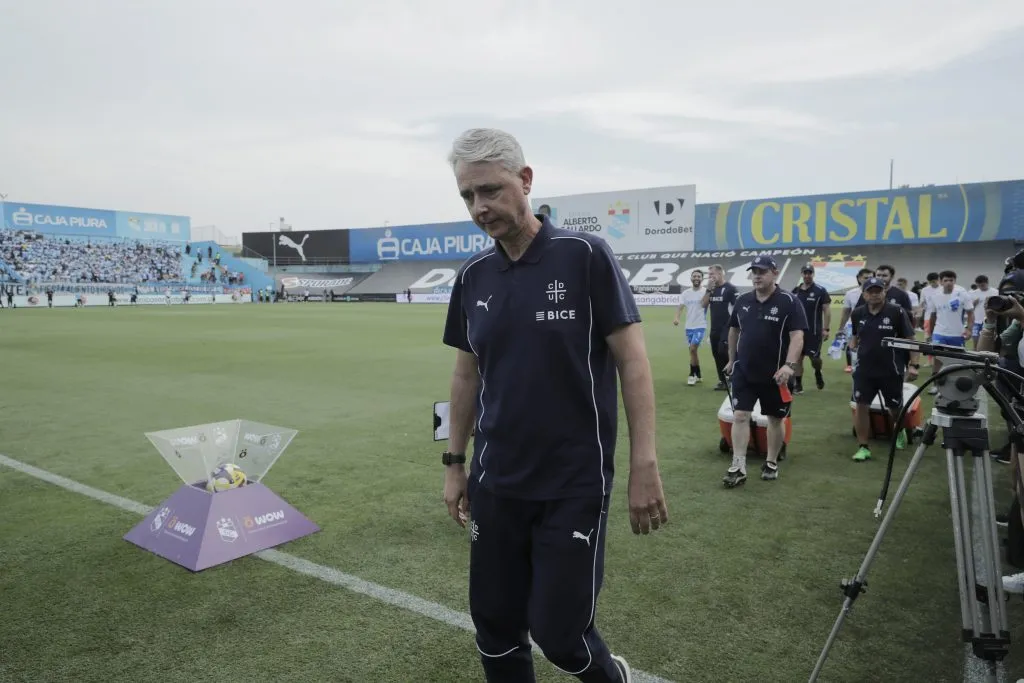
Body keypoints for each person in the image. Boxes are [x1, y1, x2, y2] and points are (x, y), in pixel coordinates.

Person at [440, 127, 667, 683]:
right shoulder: (472, 277)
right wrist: (455, 463)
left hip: (573, 482)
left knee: (562, 634)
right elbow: (466, 374)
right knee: (494, 626)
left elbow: (633, 364)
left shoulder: (585, 255)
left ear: (525, 180)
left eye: (490, 191)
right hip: (497, 484)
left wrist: (644, 465)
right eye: (468, 196)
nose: (480, 207)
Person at [723, 255, 807, 487]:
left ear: (775, 273)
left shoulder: (790, 301)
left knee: (775, 418)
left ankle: (771, 461)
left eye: (762, 271)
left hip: (776, 375)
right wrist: (731, 360)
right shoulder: (743, 300)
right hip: (745, 371)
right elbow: (733, 331)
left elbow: (797, 336)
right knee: (740, 415)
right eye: (754, 271)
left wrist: (789, 366)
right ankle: (738, 465)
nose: (757, 276)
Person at [848, 277, 920, 461]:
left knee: (894, 407)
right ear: (864, 294)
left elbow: (911, 340)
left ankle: (900, 429)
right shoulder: (857, 313)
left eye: (878, 291)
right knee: (861, 406)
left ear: (884, 292)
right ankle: (863, 446)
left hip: (891, 369)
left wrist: (913, 365)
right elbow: (854, 336)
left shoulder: (897, 312)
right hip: (864, 370)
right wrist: (853, 344)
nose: (874, 294)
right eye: (870, 291)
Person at [925, 270, 974, 394]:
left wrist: (969, 329)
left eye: (951, 280)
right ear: (941, 281)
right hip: (939, 332)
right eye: (945, 280)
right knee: (938, 358)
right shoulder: (935, 295)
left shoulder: (962, 293)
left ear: (955, 281)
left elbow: (970, 313)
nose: (948, 283)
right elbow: (933, 315)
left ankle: (958, 385)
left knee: (957, 360)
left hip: (957, 334)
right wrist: (930, 334)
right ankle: (935, 385)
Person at [791, 262, 831, 393]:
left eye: (810, 273)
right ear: (802, 274)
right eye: (805, 273)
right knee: (797, 358)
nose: (807, 275)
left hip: (814, 332)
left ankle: (818, 372)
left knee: (815, 359)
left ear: (813, 274)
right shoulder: (795, 291)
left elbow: (826, 310)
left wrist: (826, 329)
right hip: (798, 332)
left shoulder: (820, 290)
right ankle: (798, 385)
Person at [702, 264, 739, 391]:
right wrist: (708, 290)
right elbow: (703, 304)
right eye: (709, 275)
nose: (710, 277)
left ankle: (734, 378)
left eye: (712, 274)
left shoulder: (730, 289)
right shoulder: (711, 289)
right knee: (716, 354)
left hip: (727, 327)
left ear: (720, 273)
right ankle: (722, 381)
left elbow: (737, 307)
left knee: (724, 351)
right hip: (715, 328)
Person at [673, 269, 707, 385]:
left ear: (702, 278)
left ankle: (692, 375)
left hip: (700, 325)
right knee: (693, 352)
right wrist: (677, 318)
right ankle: (699, 374)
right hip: (689, 327)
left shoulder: (705, 292)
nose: (696, 278)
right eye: (694, 276)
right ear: (691, 278)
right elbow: (680, 307)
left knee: (692, 349)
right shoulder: (686, 293)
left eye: (698, 276)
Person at [837, 268, 875, 373]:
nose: (868, 280)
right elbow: (846, 311)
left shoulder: (877, 293)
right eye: (866, 278)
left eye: (871, 277)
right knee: (852, 346)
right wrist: (840, 329)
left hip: (872, 325)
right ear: (859, 278)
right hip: (853, 325)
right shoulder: (850, 293)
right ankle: (851, 365)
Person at [967, 275, 995, 349]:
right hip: (976, 321)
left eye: (983, 285)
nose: (981, 287)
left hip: (989, 321)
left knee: (988, 342)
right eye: (979, 285)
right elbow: (968, 309)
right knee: (975, 341)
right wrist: (974, 304)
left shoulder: (995, 292)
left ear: (987, 283)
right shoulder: (973, 293)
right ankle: (975, 357)